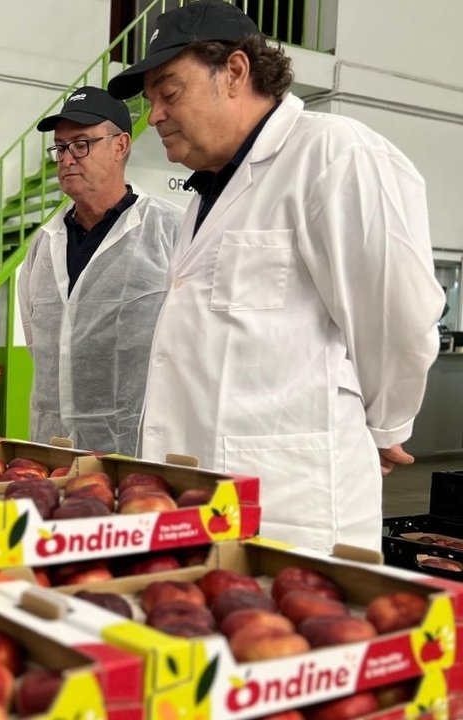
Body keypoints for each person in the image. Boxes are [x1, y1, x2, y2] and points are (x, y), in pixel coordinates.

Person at [107, 0, 443, 551]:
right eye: (150, 103)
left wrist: (386, 429)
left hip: (292, 505)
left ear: (235, 72)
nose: (156, 116)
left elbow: (396, 315)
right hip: (203, 501)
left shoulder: (331, 155)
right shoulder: (203, 198)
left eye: (169, 93)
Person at [17, 87, 181, 453]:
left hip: (138, 454)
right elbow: (39, 343)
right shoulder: (44, 244)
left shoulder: (170, 230)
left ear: (121, 146)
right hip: (52, 449)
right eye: (59, 148)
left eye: (81, 145)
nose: (66, 159)